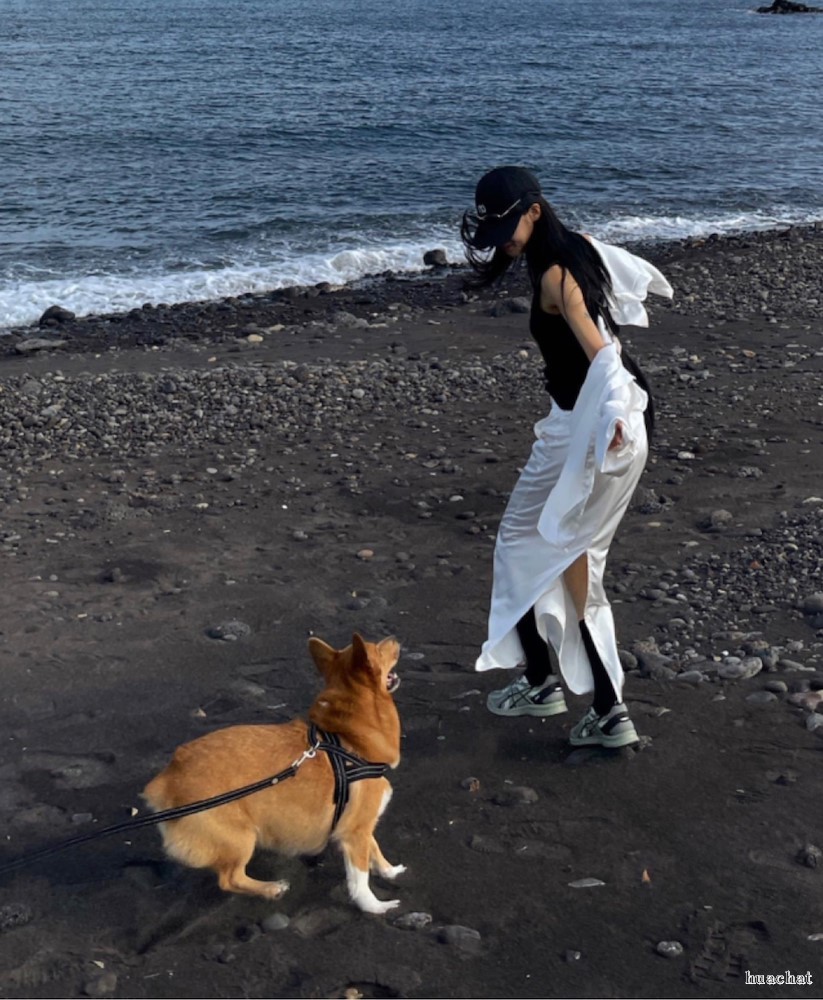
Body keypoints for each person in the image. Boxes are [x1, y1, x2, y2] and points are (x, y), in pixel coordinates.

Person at [461, 165, 673, 749]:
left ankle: (558, 690)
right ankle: (589, 701)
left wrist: (616, 414)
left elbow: (602, 354)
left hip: (594, 427)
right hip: (602, 422)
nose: (501, 241)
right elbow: (618, 274)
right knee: (568, 557)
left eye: (506, 227)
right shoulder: (575, 247)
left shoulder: (556, 274)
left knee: (532, 549)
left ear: (534, 210)